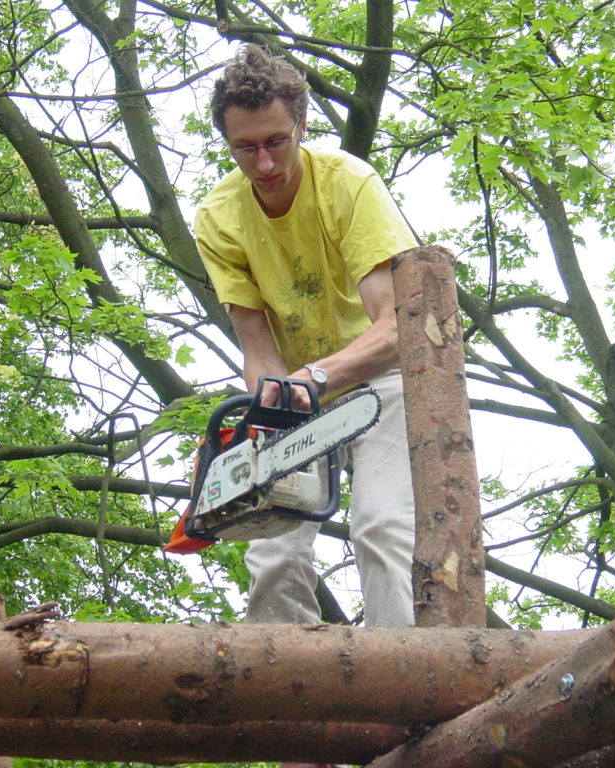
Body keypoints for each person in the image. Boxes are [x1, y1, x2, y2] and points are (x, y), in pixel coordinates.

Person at [194, 43, 417, 630]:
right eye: (246, 148)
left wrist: (315, 379)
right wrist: (266, 416)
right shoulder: (219, 218)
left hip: (380, 376)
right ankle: (277, 682)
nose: (263, 163)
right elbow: (257, 347)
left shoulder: (348, 184)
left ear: (302, 125)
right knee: (270, 545)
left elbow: (394, 329)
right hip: (298, 395)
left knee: (383, 526)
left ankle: (404, 674)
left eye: (276, 142)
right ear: (227, 141)